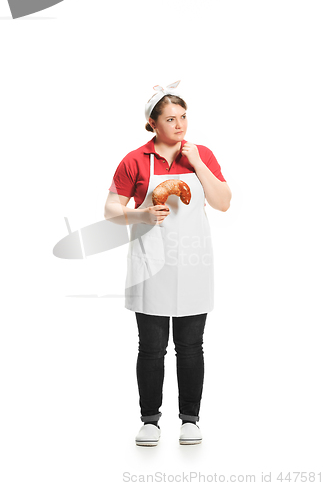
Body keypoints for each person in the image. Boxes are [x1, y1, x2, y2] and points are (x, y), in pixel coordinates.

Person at [104, 81, 232, 446]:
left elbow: (223, 202)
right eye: (171, 119)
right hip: (150, 262)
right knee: (151, 347)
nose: (180, 125)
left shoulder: (200, 153)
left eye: (184, 117)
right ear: (152, 123)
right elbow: (111, 210)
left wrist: (196, 163)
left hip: (193, 261)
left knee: (192, 346)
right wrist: (140, 215)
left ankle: (190, 419)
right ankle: (150, 421)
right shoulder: (134, 160)